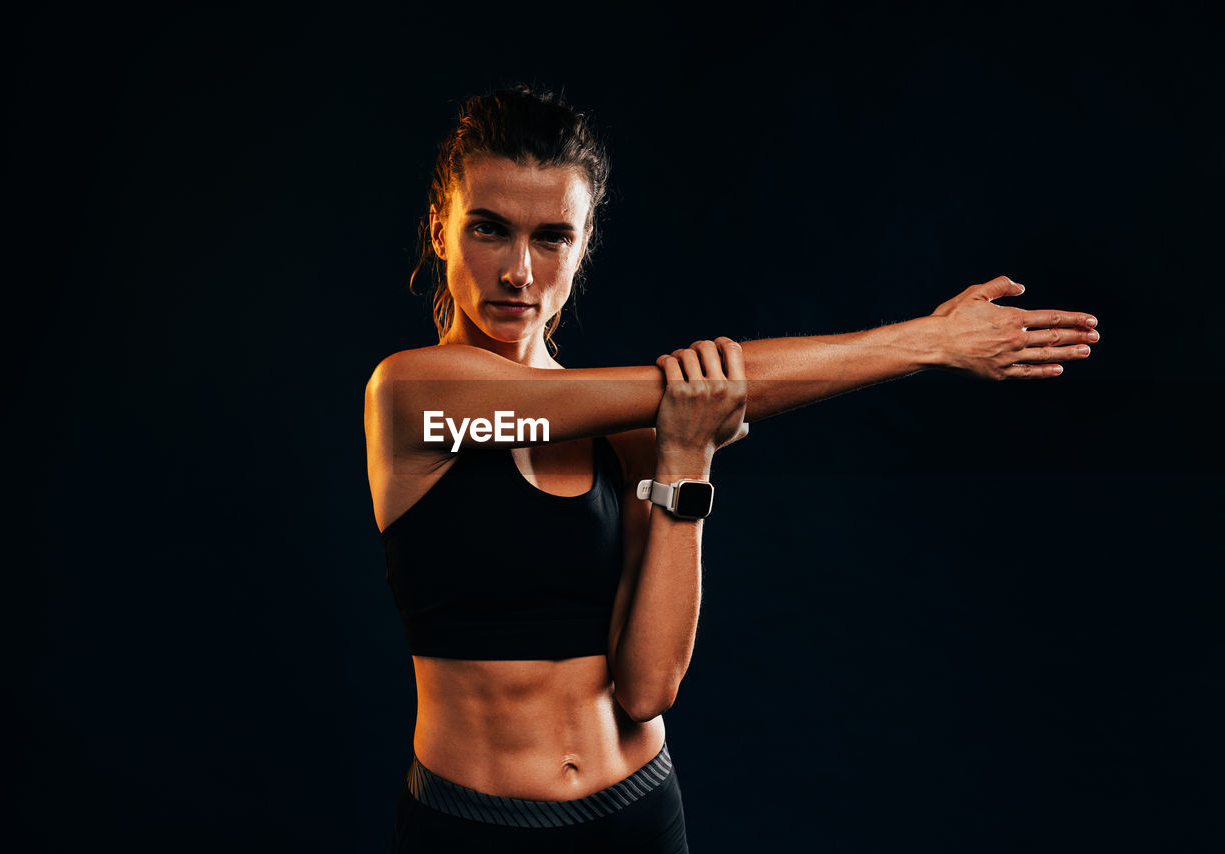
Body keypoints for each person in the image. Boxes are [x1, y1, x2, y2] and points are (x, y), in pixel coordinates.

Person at [363, 86, 1098, 852]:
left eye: (552, 238)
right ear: (441, 228)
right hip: (472, 829)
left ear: (582, 248)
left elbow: (649, 688)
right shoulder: (416, 400)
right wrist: (929, 342)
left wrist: (684, 457)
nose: (519, 270)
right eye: (489, 229)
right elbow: (672, 390)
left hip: (638, 816)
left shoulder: (627, 437)